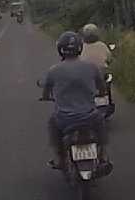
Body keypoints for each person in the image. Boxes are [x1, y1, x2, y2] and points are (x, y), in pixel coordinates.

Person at [39, 30, 107, 170]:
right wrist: (100, 93)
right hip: (90, 116)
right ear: (80, 48)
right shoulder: (91, 67)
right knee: (101, 126)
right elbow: (102, 88)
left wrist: (46, 97)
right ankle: (102, 156)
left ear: (60, 49)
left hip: (65, 119)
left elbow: (46, 92)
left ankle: (59, 158)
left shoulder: (54, 70)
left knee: (53, 124)